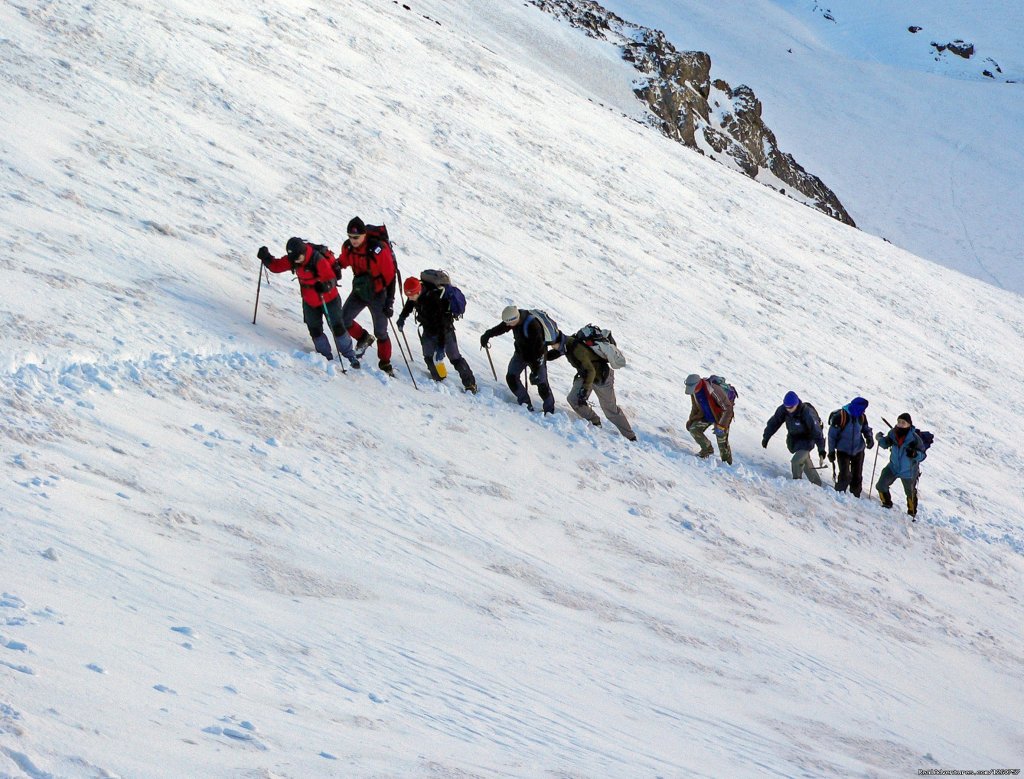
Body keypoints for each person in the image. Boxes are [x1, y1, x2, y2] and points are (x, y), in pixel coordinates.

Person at [257, 238, 359, 368]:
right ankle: (325, 357)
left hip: (328, 299)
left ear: (304, 252)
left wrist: (325, 286)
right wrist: (266, 258)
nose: (295, 261)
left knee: (337, 327)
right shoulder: (294, 258)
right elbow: (277, 266)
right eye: (293, 258)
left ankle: (350, 356)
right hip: (310, 301)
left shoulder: (318, 260)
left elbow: (331, 278)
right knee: (314, 329)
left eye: (298, 258)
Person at [338, 217, 397, 376]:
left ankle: (385, 363)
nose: (353, 240)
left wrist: (390, 301)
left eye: (356, 237)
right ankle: (363, 338)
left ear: (364, 235)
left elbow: (391, 277)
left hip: (379, 294)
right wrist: (334, 269)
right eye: (350, 236)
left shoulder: (377, 250)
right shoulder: (348, 248)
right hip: (360, 291)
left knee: (381, 332)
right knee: (344, 319)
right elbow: (342, 262)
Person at [396, 275, 477, 392]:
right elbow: (410, 303)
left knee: (455, 358)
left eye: (411, 295)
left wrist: (440, 347)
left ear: (418, 291)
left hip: (445, 331)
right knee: (428, 357)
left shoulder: (432, 301)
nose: (410, 298)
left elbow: (441, 325)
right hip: (428, 329)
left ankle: (470, 384)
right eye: (408, 295)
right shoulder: (415, 295)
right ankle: (439, 376)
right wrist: (402, 317)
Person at [549, 333, 636, 440]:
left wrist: (584, 390)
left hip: (601, 378)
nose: (552, 347)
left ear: (558, 342)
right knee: (573, 399)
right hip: (585, 376)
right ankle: (594, 420)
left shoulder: (576, 349)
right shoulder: (566, 343)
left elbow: (591, 371)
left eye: (553, 345)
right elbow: (553, 354)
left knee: (610, 410)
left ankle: (630, 436)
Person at [480, 306, 562, 413]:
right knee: (511, 378)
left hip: (537, 357)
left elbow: (538, 350)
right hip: (521, 354)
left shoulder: (533, 326)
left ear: (514, 319)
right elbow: (502, 327)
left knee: (541, 383)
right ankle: (525, 403)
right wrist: (488, 334)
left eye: (509, 323)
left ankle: (549, 410)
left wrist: (536, 370)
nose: (507, 325)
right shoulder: (514, 319)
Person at [762, 391, 825, 484]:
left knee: (796, 461)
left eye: (790, 407)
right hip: (794, 440)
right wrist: (766, 437)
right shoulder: (783, 410)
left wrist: (821, 450)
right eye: (786, 407)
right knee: (805, 461)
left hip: (807, 440)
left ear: (796, 404)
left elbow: (817, 432)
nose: (788, 409)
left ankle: (797, 483)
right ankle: (817, 483)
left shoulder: (807, 413)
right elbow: (774, 422)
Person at [875, 412, 927, 518]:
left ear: (909, 424)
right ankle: (886, 503)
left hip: (908, 471)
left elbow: (922, 456)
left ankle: (912, 512)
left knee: (910, 493)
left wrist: (915, 454)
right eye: (899, 422)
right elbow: (885, 444)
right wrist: (880, 438)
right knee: (881, 485)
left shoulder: (915, 439)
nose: (900, 424)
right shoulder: (893, 433)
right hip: (893, 467)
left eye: (903, 422)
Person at [826, 396, 874, 497]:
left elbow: (866, 428)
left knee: (857, 476)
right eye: (862, 409)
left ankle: (855, 496)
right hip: (843, 450)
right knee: (845, 475)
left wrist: (869, 438)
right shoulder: (840, 417)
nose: (863, 411)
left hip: (858, 449)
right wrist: (831, 452)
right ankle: (838, 494)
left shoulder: (861, 417)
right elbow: (831, 436)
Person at [683, 374, 735, 464]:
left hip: (721, 416)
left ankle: (727, 463)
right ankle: (707, 450)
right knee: (694, 429)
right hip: (706, 415)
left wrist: (722, 426)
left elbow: (728, 408)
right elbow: (695, 407)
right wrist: (691, 420)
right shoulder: (694, 393)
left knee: (721, 439)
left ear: (698, 384)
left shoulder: (714, 390)